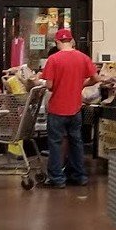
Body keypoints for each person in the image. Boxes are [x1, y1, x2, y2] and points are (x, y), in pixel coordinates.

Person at [40, 28, 98, 188]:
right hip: (75, 109)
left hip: (57, 109)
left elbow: (50, 85)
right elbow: (95, 78)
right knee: (76, 142)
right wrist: (81, 84)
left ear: (57, 42)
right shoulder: (83, 57)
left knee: (56, 143)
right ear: (72, 41)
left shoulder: (53, 60)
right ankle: (79, 176)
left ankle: (57, 179)